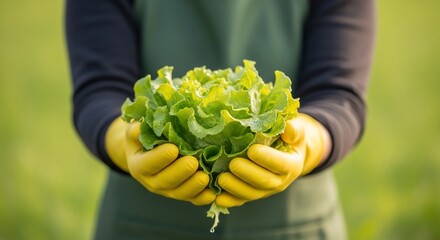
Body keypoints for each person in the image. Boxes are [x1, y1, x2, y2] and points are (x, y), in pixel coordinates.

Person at [65, 0, 375, 239]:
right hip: (142, 223)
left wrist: (308, 141)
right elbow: (100, 87)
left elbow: (339, 94)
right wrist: (124, 140)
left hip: (296, 224)